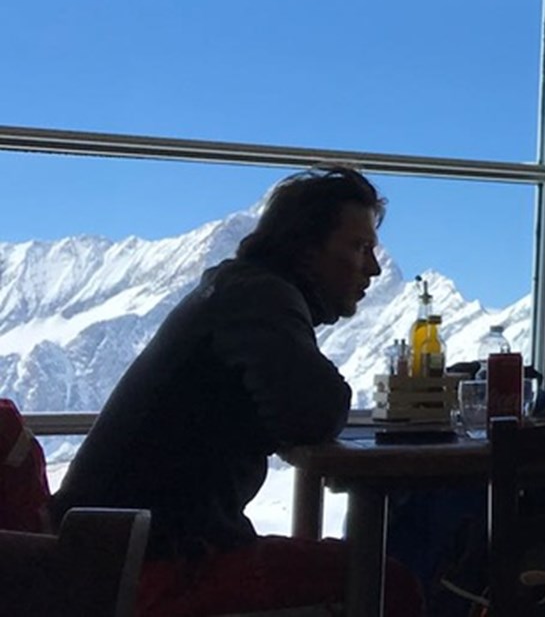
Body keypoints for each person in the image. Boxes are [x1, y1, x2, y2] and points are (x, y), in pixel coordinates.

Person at [48, 165, 421, 617]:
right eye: (360, 247)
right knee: (387, 585)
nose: (374, 268)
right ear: (305, 248)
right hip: (151, 570)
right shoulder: (261, 298)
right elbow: (314, 413)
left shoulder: (238, 289)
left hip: (106, 557)